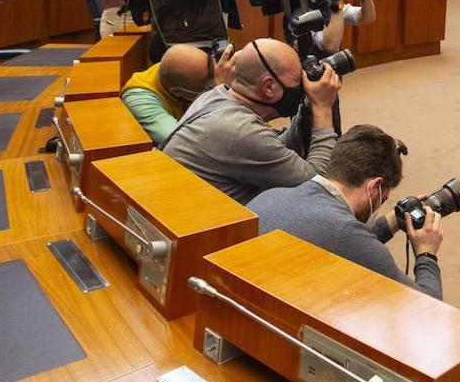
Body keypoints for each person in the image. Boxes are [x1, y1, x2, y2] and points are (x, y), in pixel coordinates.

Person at [247, 125, 443, 298]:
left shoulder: (271, 195)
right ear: (374, 187)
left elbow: (340, 240)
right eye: (382, 199)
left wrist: (393, 220)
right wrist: (427, 252)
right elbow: (427, 305)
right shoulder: (345, 233)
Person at [162, 38, 340, 204]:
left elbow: (274, 151)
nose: (303, 84)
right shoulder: (239, 130)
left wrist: (307, 109)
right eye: (297, 79)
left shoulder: (215, 96)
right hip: (205, 231)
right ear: (269, 87)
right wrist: (322, 110)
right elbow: (319, 188)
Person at [121, 42, 235, 146]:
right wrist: (219, 92)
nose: (213, 81)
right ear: (176, 92)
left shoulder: (182, 66)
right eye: (208, 82)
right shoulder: (140, 98)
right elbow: (183, 142)